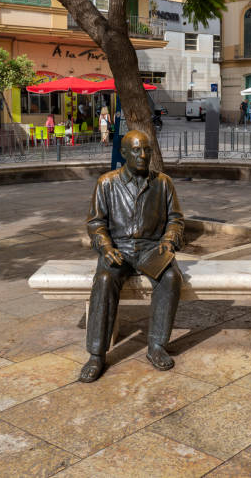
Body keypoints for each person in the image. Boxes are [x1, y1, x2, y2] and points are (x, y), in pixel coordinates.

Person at [79, 130, 184, 383]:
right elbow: (96, 223)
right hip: (118, 249)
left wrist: (168, 242)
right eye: (136, 150)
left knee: (171, 278)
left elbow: (176, 220)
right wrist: (105, 247)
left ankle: (157, 345)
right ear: (124, 153)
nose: (143, 155)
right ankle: (96, 354)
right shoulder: (107, 182)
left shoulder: (163, 183)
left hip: (151, 248)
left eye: (147, 150)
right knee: (104, 280)